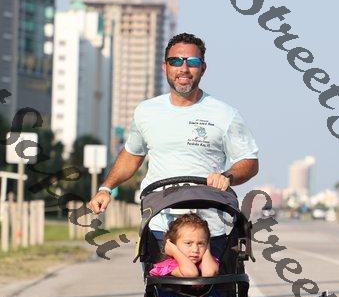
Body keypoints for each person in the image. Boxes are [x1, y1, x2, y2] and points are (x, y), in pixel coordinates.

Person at [88, 32, 259, 257]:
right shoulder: (146, 111)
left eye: (193, 62)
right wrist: (105, 188)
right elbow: (131, 155)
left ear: (203, 68)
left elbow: (249, 161)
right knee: (160, 280)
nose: (183, 68)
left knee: (214, 280)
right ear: (165, 66)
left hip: (209, 229)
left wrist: (227, 176)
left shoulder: (225, 114)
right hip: (159, 224)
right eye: (176, 61)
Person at [149, 213, 240, 297]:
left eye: (201, 243)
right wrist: (175, 252)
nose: (195, 250)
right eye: (188, 243)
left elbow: (209, 273)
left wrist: (207, 248)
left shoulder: (208, 262)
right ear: (172, 244)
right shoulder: (169, 264)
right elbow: (190, 273)